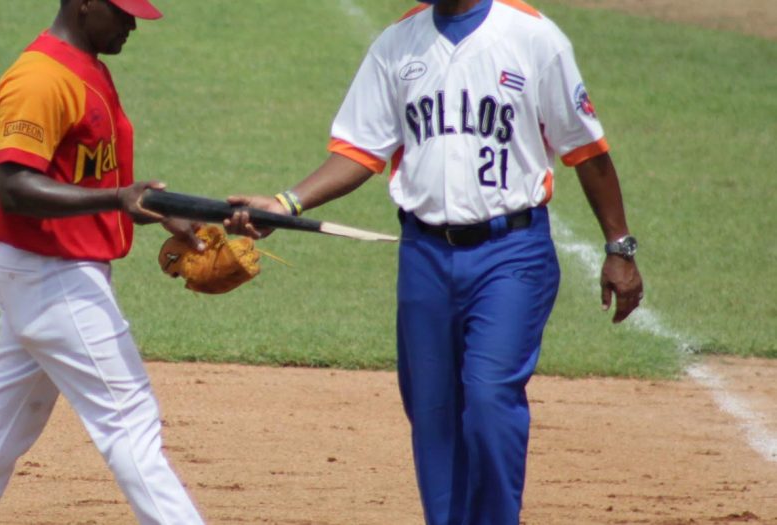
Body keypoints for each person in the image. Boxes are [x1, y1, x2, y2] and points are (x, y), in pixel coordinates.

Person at [226, 0, 644, 523]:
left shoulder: (534, 37)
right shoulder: (397, 44)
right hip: (423, 255)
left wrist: (618, 246)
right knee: (433, 415)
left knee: (490, 401)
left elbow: (587, 149)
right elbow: (359, 150)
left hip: (511, 253)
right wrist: (286, 203)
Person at [0, 1, 206, 524]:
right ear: (83, 3)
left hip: (41, 272)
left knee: (5, 427)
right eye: (122, 13)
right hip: (52, 277)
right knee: (130, 422)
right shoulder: (39, 79)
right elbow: (14, 186)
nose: (132, 24)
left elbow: (85, 183)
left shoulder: (88, 67)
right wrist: (116, 199)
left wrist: (156, 210)